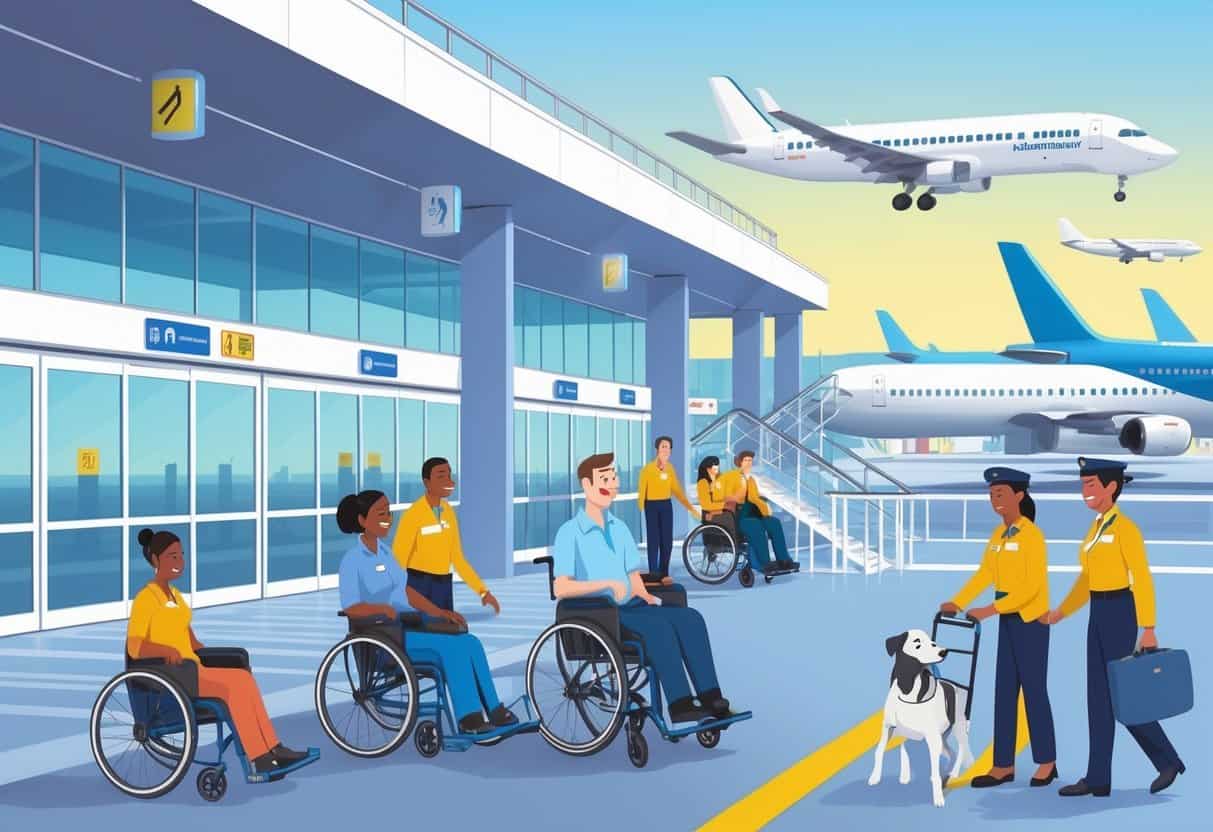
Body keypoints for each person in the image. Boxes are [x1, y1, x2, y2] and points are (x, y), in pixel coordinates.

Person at [552, 452, 739, 724]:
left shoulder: (620, 529)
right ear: (586, 484)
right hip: (600, 613)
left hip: (633, 606)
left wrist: (647, 592)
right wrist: (605, 584)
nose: (612, 483)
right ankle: (680, 703)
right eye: (605, 478)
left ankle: (711, 696)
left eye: (614, 477)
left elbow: (632, 575)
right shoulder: (570, 533)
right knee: (659, 629)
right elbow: (561, 588)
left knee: (690, 618)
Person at [1044, 457, 1184, 797]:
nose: (1085, 491)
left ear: (1111, 487)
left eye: (1091, 484)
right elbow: (1087, 580)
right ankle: (1098, 778)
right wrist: (1062, 611)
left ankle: (1167, 760)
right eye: (1083, 485)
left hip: (1122, 611)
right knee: (1098, 699)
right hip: (1097, 613)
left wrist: (1148, 626)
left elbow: (1142, 579)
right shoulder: (1095, 528)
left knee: (1127, 696)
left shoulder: (1126, 529)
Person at [125, 529, 309, 775]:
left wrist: (213, 656)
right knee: (235, 685)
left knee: (243, 677)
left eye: (181, 555)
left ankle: (273, 748)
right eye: (172, 557)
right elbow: (135, 647)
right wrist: (165, 650)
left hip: (191, 668)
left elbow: (189, 639)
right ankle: (260, 757)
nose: (180, 562)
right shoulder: (145, 599)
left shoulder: (176, 596)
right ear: (156, 560)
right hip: (171, 676)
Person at [338, 489, 516, 735]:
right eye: (381, 513)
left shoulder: (387, 554)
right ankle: (469, 718)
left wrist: (441, 612)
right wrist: (381, 609)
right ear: (362, 520)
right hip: (384, 640)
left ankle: (494, 708)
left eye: (389, 512)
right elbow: (350, 607)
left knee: (470, 642)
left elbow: (407, 593)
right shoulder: (353, 560)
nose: (388, 518)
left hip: (407, 629)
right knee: (452, 649)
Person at [939, 467, 1057, 789]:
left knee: (1033, 693)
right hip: (1008, 622)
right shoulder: (998, 537)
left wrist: (989, 609)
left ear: (1019, 495)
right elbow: (984, 575)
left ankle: (1047, 762)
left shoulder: (1032, 536)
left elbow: (1031, 588)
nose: (995, 500)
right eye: (992, 495)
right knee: (1004, 692)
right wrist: (958, 602)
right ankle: (1002, 765)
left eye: (1001, 494)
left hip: (1032, 622)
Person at [393, 457, 500, 617]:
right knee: (424, 637)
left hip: (443, 585)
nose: (449, 481)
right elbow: (397, 562)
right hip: (419, 586)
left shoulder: (448, 512)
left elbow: (457, 558)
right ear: (427, 482)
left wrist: (483, 592)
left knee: (446, 633)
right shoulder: (413, 515)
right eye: (441, 476)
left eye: (450, 475)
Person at [719, 450, 793, 575]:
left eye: (750, 461)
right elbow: (725, 496)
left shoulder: (751, 480)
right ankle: (765, 563)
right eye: (746, 460)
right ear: (739, 462)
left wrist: (763, 507)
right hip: (738, 516)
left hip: (753, 512)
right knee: (756, 526)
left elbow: (755, 498)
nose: (749, 463)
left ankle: (784, 560)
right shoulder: (730, 477)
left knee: (774, 523)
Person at [637, 436, 698, 580]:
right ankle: (653, 573)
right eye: (663, 446)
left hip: (666, 506)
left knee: (667, 542)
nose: (666, 450)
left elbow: (677, 490)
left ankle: (664, 573)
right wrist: (641, 508)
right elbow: (641, 490)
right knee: (654, 541)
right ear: (657, 449)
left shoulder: (670, 469)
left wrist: (690, 508)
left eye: (669, 447)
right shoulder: (647, 469)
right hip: (651, 506)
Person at [695, 455, 739, 542]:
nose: (717, 466)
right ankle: (734, 541)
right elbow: (706, 505)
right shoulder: (703, 483)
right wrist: (724, 505)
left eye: (717, 464)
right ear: (707, 468)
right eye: (714, 464)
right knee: (729, 516)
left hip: (723, 510)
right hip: (710, 514)